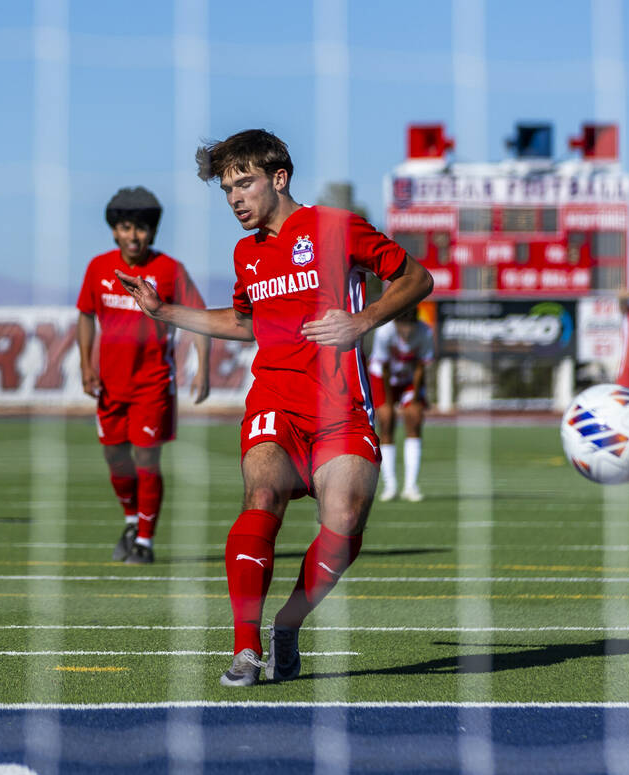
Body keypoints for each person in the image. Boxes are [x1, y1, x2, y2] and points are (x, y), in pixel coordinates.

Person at [116, 129, 432, 685]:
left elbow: (416, 278)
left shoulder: (336, 228)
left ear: (278, 178)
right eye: (227, 190)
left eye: (244, 183)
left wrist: (363, 320)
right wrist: (163, 311)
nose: (235, 198)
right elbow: (243, 322)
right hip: (275, 403)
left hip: (342, 409)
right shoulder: (248, 253)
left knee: (345, 521)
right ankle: (245, 648)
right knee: (262, 496)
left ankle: (289, 623)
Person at [77, 187, 211, 565]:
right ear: (114, 231)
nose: (133, 235)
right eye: (125, 227)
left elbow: (199, 317)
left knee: (147, 460)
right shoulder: (98, 268)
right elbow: (85, 316)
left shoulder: (169, 270)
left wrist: (202, 365)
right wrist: (86, 365)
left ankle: (146, 543)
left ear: (152, 233)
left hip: (152, 382)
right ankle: (132, 522)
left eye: (141, 229)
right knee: (115, 458)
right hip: (110, 385)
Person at [368, 307, 435, 502]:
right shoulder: (384, 332)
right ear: (395, 323)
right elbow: (385, 367)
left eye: (410, 325)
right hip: (383, 378)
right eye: (402, 325)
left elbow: (421, 367)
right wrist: (389, 403)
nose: (406, 330)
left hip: (408, 378)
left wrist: (415, 400)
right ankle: (390, 486)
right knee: (387, 420)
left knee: (414, 417)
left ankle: (411, 486)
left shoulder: (425, 332)